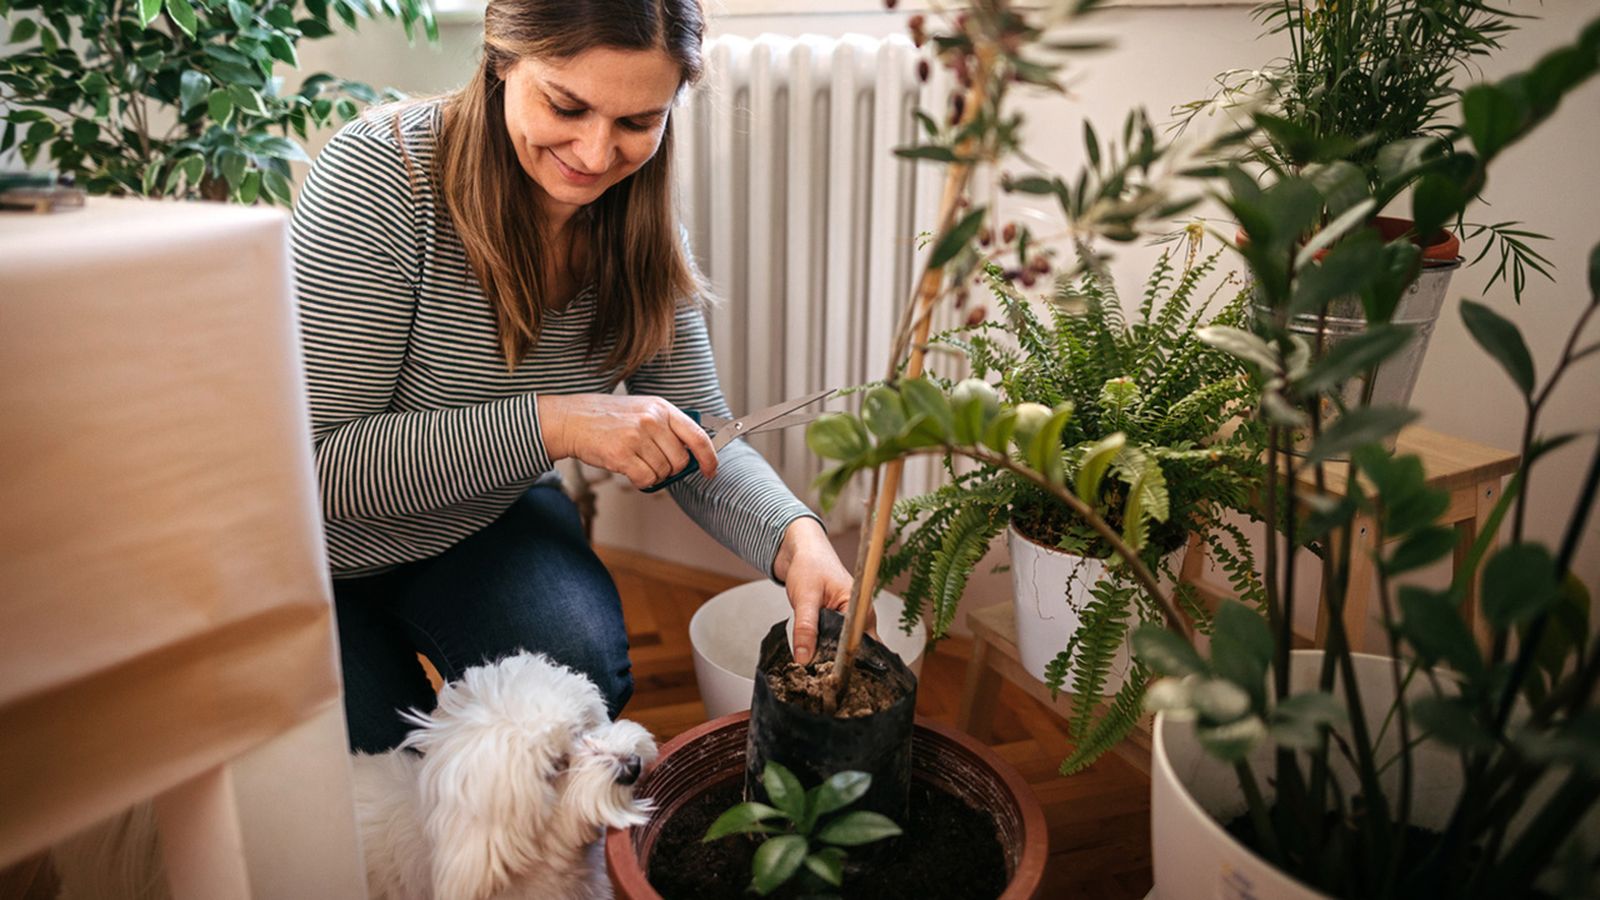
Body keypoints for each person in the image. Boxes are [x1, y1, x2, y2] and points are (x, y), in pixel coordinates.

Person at [291, 0, 854, 754]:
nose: (594, 156)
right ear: (499, 61)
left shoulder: (641, 231)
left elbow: (702, 431)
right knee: (376, 770)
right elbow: (318, 469)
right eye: (567, 105)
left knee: (575, 689)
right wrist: (555, 424)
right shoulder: (380, 177)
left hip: (479, 519)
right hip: (319, 556)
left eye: (636, 124)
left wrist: (798, 539)